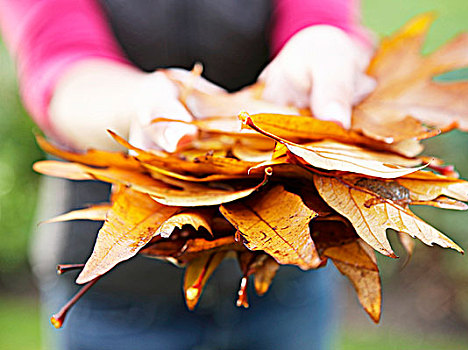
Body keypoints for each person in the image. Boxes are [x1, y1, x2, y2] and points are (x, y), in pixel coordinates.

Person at [0, 1, 374, 349]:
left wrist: (324, 43)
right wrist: (137, 106)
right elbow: (62, 60)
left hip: (286, 270)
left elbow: (320, 17)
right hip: (121, 290)